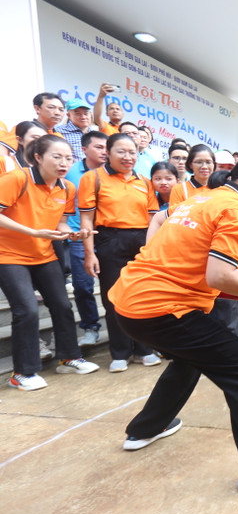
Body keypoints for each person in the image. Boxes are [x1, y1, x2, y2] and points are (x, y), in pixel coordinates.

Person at [108, 152, 238, 493]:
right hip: (161, 309)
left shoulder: (201, 198)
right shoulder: (237, 212)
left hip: (128, 301)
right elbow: (220, 275)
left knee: (190, 361)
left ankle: (146, 427)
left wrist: (161, 264)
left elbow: (159, 220)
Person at [0, 135, 100, 391]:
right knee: (27, 310)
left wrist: (72, 233)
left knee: (63, 306)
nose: (63, 162)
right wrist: (33, 232)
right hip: (8, 255)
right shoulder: (17, 179)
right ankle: (22, 373)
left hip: (44, 254)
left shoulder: (67, 187)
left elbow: (60, 223)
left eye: (68, 158)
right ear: (38, 157)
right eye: (56, 156)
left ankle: (69, 358)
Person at [78, 132, 161, 373]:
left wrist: (151, 250)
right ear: (108, 153)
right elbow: (86, 219)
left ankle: (143, 349)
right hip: (108, 240)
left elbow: (152, 218)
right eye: (121, 152)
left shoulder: (144, 182)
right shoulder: (92, 178)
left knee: (143, 296)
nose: (128, 157)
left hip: (140, 241)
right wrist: (90, 253)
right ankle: (120, 352)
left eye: (132, 152)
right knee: (113, 298)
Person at [65, 131, 107, 346]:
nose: (104, 151)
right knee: (82, 285)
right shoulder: (71, 173)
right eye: (98, 147)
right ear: (84, 149)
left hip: (107, 236)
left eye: (106, 147)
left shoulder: (112, 172)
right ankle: (90, 327)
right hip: (79, 236)